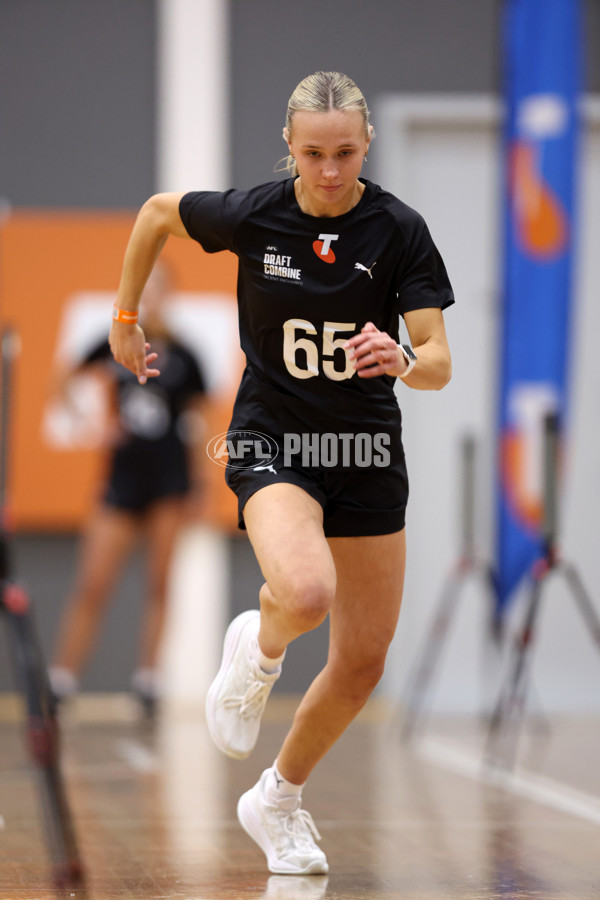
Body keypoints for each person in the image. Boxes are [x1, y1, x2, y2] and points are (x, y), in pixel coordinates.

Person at [109, 71, 453, 872]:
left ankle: (277, 800)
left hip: (366, 449)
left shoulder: (398, 231)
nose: (328, 171)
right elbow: (159, 212)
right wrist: (125, 320)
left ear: (366, 146)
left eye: (343, 153)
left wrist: (403, 358)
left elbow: (438, 360)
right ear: (290, 150)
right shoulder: (256, 214)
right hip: (274, 438)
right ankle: (258, 649)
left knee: (363, 659)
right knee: (305, 592)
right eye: (311, 155)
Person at [49, 262, 206, 716]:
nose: (151, 295)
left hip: (169, 481)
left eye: (160, 288)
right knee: (93, 582)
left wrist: (199, 483)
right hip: (121, 479)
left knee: (159, 582)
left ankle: (148, 681)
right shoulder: (114, 341)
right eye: (145, 287)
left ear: (170, 294)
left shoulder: (185, 354)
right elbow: (61, 379)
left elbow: (197, 422)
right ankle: (62, 679)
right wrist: (90, 425)